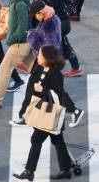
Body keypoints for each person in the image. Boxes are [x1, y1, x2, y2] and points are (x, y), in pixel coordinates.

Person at [12, 46, 73, 181]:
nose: (37, 56)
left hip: (51, 114)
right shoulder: (41, 68)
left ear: (47, 58)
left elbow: (58, 94)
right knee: (58, 141)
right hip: (46, 113)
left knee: (36, 139)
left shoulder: (55, 74)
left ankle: (29, 171)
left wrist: (42, 89)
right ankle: (66, 169)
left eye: (40, 55)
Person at [40, 0, 83, 77]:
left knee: (53, 45)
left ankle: (50, 69)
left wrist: (41, 4)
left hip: (60, 22)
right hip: (55, 20)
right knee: (64, 45)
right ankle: (76, 68)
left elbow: (52, 3)